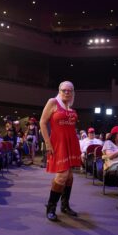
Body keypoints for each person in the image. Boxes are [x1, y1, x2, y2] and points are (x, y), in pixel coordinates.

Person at [40, 81, 81, 222]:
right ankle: (51, 208)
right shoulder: (53, 102)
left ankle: (65, 206)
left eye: (70, 90)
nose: (67, 92)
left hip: (71, 144)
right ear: (59, 90)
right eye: (64, 90)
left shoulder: (70, 106)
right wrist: (47, 143)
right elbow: (42, 123)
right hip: (58, 144)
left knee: (69, 176)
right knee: (62, 176)